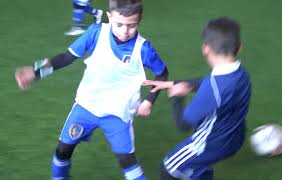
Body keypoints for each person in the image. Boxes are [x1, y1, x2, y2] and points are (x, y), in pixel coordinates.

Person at [15, 0, 168, 179]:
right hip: (87, 106)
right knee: (63, 150)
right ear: (109, 16)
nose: (125, 31)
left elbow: (162, 73)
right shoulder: (95, 33)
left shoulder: (144, 48)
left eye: (131, 25)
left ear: (139, 20)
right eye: (119, 24)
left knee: (127, 162)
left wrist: (150, 99)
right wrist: (36, 71)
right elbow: (65, 57)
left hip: (118, 113)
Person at [143, 17, 252, 180]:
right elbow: (206, 82)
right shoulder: (242, 75)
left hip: (209, 144)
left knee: (168, 169)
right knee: (197, 168)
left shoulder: (213, 88)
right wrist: (174, 83)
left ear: (205, 49)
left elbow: (183, 125)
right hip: (234, 138)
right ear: (239, 47)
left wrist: (176, 97)